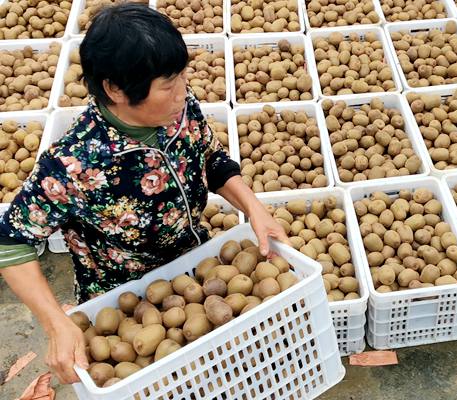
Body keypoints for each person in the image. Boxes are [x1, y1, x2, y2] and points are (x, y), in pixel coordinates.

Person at [0, 3, 289, 385]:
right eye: (169, 85)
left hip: (192, 273)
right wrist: (55, 322)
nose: (183, 92)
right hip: (122, 298)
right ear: (115, 89)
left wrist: (253, 208)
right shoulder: (74, 163)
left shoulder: (180, 109)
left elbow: (210, 159)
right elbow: (11, 242)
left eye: (182, 78)